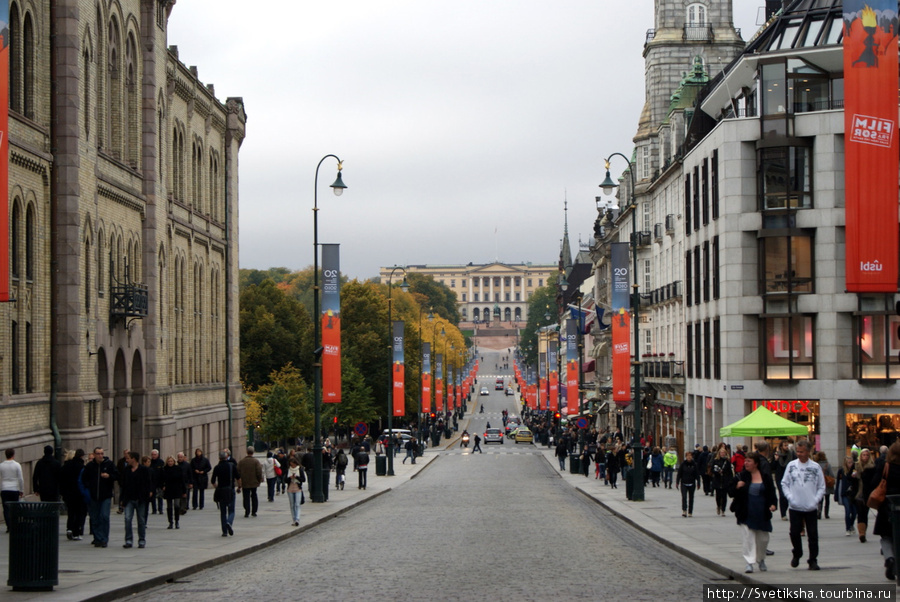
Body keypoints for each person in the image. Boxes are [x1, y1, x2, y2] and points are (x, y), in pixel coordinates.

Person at [729, 451, 778, 574]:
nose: (746, 463)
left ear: (756, 463)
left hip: (762, 511)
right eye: (745, 461)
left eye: (749, 461)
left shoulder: (765, 477)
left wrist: (773, 504)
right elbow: (730, 492)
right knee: (748, 538)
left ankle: (761, 559)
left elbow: (771, 492)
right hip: (746, 511)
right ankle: (749, 562)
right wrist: (737, 487)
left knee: (763, 539)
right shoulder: (741, 476)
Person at [781, 439, 825, 571]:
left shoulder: (815, 467)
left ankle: (813, 559)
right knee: (794, 532)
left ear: (808, 452)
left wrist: (815, 500)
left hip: (810, 506)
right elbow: (784, 483)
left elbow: (821, 487)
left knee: (812, 534)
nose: (799, 454)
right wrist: (790, 497)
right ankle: (797, 552)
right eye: (797, 451)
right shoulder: (791, 465)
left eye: (802, 452)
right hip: (795, 506)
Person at [872, 440, 900, 580]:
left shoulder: (886, 466)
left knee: (886, 536)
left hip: (887, 505)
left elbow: (875, 482)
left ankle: (889, 557)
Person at [81, 447, 118, 547]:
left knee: (104, 516)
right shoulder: (90, 466)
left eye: (101, 453)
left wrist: (109, 476)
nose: (100, 456)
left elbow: (116, 475)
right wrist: (89, 487)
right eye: (98, 454)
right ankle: (97, 538)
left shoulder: (109, 464)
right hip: (93, 496)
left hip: (105, 495)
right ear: (94, 454)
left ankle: (104, 539)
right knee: (95, 517)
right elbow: (84, 479)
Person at [120, 451, 152, 548]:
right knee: (127, 519)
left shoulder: (143, 470)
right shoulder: (127, 470)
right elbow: (123, 485)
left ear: (133, 459)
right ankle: (128, 540)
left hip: (140, 499)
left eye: (128, 458)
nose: (127, 460)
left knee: (141, 520)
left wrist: (147, 494)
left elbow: (148, 483)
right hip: (129, 498)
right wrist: (122, 499)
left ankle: (142, 540)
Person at [60, 449, 88, 540]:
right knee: (78, 513)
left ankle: (69, 528)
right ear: (82, 456)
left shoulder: (66, 466)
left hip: (68, 493)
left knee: (71, 512)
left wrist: (62, 492)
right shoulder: (81, 467)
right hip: (78, 493)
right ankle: (76, 532)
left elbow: (61, 480)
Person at [210, 451, 238, 537]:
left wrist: (217, 487)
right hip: (230, 490)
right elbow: (238, 477)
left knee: (223, 512)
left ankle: (224, 531)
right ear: (226, 457)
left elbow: (212, 481)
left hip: (221, 491)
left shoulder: (217, 467)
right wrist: (239, 487)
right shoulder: (232, 466)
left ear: (219, 458)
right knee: (231, 510)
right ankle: (229, 522)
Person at [854, 448, 877, 543]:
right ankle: (861, 533)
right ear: (861, 456)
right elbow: (849, 478)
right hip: (858, 494)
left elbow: (873, 481)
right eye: (864, 455)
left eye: (867, 455)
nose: (865, 457)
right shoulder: (856, 466)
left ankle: (863, 532)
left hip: (867, 493)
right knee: (860, 513)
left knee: (865, 513)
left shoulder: (872, 467)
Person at [0, 448, 25, 531]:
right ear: (13, 455)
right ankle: (15, 524)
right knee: (15, 508)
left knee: (6, 508)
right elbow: (20, 479)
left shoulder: (1, 465)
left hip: (4, 489)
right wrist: (21, 490)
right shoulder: (17, 465)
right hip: (14, 489)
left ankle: (9, 525)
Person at [834, 455, 858, 537]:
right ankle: (847, 528)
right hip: (844, 493)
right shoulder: (841, 471)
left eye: (851, 462)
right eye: (848, 463)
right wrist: (836, 495)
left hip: (853, 493)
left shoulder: (855, 470)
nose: (850, 464)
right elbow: (838, 484)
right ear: (845, 463)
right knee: (848, 511)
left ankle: (851, 524)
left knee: (854, 512)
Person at [161, 456, 186, 529]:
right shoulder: (164, 469)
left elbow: (182, 480)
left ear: (174, 462)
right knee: (169, 507)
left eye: (171, 461)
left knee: (177, 505)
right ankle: (170, 522)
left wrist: (184, 491)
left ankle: (177, 521)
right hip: (168, 489)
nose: (170, 463)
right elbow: (161, 479)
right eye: (169, 461)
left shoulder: (178, 469)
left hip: (177, 489)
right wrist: (162, 486)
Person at [237, 447, 264, 517]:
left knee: (246, 497)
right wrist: (259, 480)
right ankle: (254, 511)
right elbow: (259, 472)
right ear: (253, 452)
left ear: (247, 452)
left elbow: (238, 472)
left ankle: (247, 511)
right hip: (254, 482)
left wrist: (239, 482)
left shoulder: (241, 462)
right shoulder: (256, 461)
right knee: (254, 495)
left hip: (245, 482)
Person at [774, 440, 796, 521]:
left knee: (788, 495)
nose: (786, 447)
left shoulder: (792, 455)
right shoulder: (777, 455)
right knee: (782, 495)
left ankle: (787, 510)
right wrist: (776, 460)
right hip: (780, 477)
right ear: (781, 447)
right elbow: (772, 467)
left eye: (787, 445)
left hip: (789, 477)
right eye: (785, 445)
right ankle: (783, 514)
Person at [710, 446, 735, 516]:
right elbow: (712, 469)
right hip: (717, 480)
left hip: (725, 480)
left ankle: (723, 510)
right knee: (718, 495)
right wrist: (717, 472)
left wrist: (730, 480)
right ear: (719, 453)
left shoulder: (727, 461)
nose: (722, 454)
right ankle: (718, 506)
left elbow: (730, 471)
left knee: (724, 496)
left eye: (723, 453)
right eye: (721, 452)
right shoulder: (716, 461)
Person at [676, 450, 699, 517]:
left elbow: (697, 474)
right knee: (684, 497)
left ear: (692, 457)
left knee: (691, 498)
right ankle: (684, 510)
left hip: (692, 483)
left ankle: (690, 512)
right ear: (686, 457)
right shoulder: (683, 464)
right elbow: (679, 474)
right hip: (684, 483)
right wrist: (677, 482)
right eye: (687, 456)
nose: (689, 457)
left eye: (690, 456)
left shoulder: (694, 464)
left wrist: (698, 483)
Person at [286, 457, 305, 526]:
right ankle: (294, 519)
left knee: (297, 504)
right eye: (291, 465)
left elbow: (303, 479)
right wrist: (289, 478)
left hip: (298, 488)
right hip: (290, 489)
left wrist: (296, 477)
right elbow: (285, 480)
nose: (292, 466)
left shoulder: (299, 469)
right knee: (292, 505)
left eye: (293, 465)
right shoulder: (288, 470)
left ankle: (297, 519)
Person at [815, 451, 833, 520]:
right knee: (827, 499)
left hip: (819, 484)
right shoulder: (827, 465)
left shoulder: (816, 465)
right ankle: (826, 514)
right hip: (826, 484)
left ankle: (819, 513)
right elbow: (832, 474)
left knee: (820, 499)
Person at [175, 452, 193, 516]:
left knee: (184, 495)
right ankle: (179, 508)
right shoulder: (175, 464)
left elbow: (190, 474)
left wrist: (191, 482)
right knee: (178, 496)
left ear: (183, 458)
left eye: (181, 457)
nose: (180, 458)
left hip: (185, 482)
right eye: (179, 457)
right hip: (177, 483)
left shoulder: (187, 465)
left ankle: (183, 508)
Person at [148, 450, 165, 515]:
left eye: (155, 454)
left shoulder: (161, 462)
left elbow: (163, 473)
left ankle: (160, 509)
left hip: (160, 482)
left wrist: (163, 483)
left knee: (160, 496)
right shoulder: (150, 462)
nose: (153, 456)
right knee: (153, 497)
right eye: (152, 454)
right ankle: (154, 509)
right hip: (152, 482)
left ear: (157, 455)